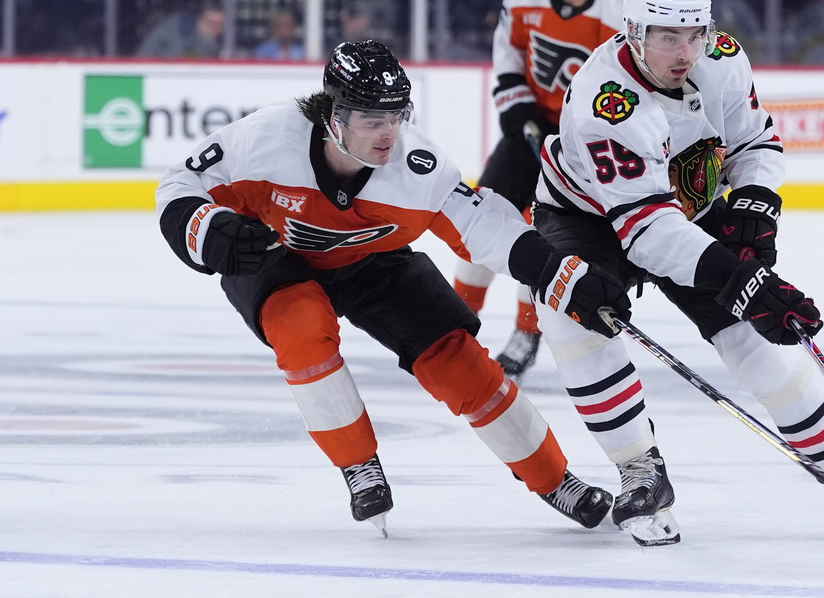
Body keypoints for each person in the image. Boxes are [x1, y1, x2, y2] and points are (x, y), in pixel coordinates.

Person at [155, 39, 631, 536]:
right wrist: (206, 231)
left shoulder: (417, 167)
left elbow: (485, 228)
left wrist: (560, 272)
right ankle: (357, 463)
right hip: (271, 257)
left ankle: (555, 480)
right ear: (333, 116)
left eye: (396, 116)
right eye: (371, 120)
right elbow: (178, 185)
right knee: (301, 329)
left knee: (458, 360)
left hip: (371, 260)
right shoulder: (264, 139)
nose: (389, 133)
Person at [531, 0, 824, 546]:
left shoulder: (722, 56)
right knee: (576, 318)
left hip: (684, 205)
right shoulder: (603, 102)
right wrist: (741, 276)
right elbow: (646, 232)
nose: (686, 50)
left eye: (695, 33)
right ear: (634, 32)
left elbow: (755, 142)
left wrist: (758, 217)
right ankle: (640, 469)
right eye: (668, 36)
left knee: (756, 336)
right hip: (588, 219)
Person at [452, 0, 628, 379]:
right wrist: (514, 100)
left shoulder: (622, 6)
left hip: (585, 145)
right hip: (528, 127)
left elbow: (629, 85)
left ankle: (528, 332)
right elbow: (508, 48)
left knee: (548, 241)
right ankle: (450, 328)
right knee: (481, 222)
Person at [137, 4, 225, 59]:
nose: (214, 27)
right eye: (210, 22)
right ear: (199, 21)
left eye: (220, 23)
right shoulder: (174, 32)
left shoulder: (229, 45)